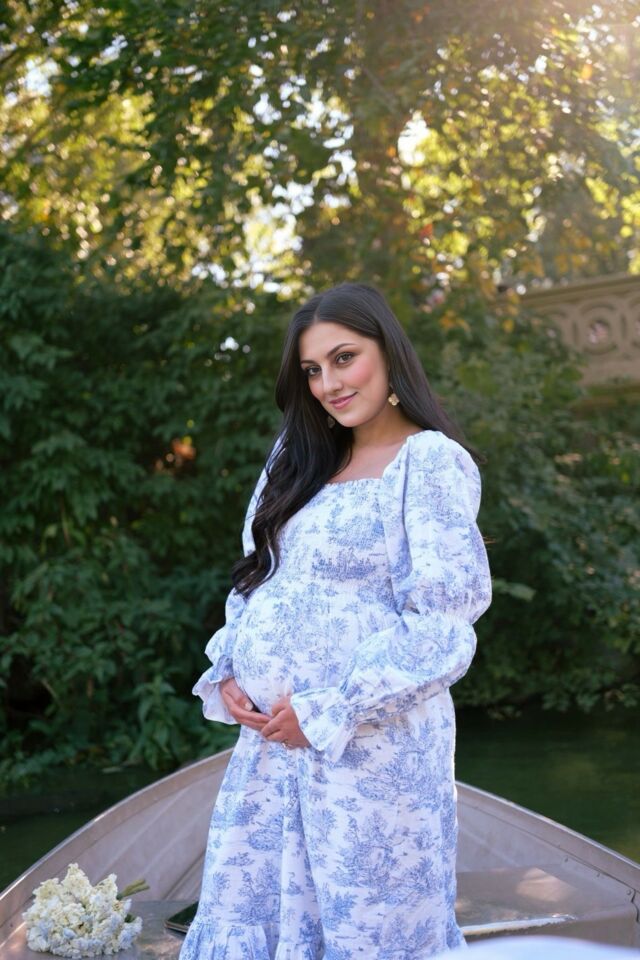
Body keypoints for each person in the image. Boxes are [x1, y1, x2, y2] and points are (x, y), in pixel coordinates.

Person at [179, 282, 492, 960]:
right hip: (270, 750)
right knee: (252, 915)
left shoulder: (428, 463)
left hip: (370, 754)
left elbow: (442, 627)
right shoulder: (294, 461)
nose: (328, 384)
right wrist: (230, 667)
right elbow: (258, 579)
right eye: (312, 370)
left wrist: (329, 709)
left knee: (364, 930)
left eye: (344, 358)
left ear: (389, 353)